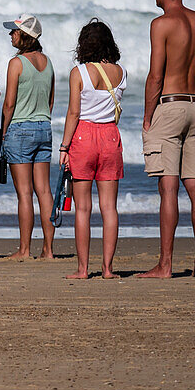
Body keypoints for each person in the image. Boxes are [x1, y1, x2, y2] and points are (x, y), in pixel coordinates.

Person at [138, 0, 195, 279]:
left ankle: (166, 265)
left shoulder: (161, 24)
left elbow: (156, 75)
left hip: (169, 105)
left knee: (168, 188)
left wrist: (147, 117)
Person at [58, 19, 126, 279]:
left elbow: (74, 112)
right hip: (110, 136)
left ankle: (83, 269)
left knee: (83, 208)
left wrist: (64, 146)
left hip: (84, 137)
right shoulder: (121, 73)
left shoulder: (80, 72)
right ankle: (108, 269)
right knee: (109, 208)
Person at [0, 14, 56, 260]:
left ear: (25, 36)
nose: (11, 34)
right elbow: (50, 100)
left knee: (24, 193)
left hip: (20, 129)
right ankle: (49, 249)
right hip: (44, 127)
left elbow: (9, 103)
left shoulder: (17, 63)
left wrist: (3, 132)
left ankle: (24, 250)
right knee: (43, 191)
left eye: (14, 31)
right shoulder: (48, 62)